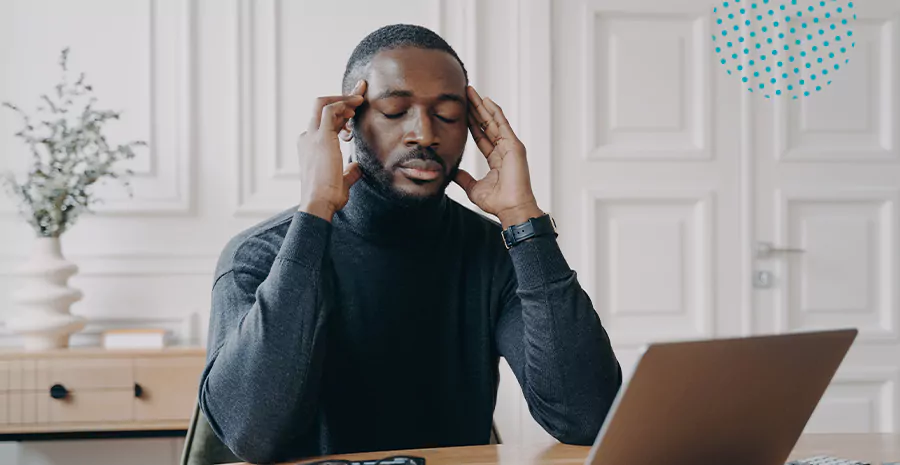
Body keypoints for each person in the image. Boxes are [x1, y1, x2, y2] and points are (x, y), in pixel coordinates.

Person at [200, 23, 622, 464]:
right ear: (347, 123)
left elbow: (590, 418)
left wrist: (523, 218)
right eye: (396, 110)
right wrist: (314, 212)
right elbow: (252, 435)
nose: (424, 133)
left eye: (447, 114)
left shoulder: (492, 253)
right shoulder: (259, 256)